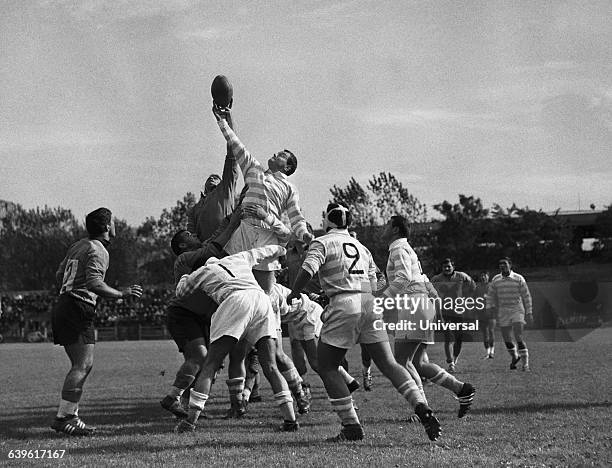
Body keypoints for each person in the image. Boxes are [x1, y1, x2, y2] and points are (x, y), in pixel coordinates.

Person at [287, 204, 441, 442]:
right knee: (389, 364)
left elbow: (308, 268)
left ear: (326, 220)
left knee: (327, 366)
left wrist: (294, 292)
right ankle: (421, 406)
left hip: (343, 304)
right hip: (369, 303)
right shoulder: (362, 247)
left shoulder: (322, 242)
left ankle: (351, 426)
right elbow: (377, 279)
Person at [174, 245, 299, 433]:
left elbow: (181, 292)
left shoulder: (202, 271)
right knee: (271, 366)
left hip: (236, 300)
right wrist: (282, 249)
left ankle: (190, 421)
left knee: (210, 365)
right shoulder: (238, 258)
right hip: (261, 300)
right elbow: (265, 251)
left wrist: (184, 276)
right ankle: (290, 420)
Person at [51, 207, 143, 436]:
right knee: (82, 365)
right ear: (106, 227)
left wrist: (67, 293)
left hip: (66, 304)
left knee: (82, 364)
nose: (116, 225)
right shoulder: (99, 249)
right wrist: (123, 293)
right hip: (77, 307)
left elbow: (58, 274)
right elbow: (94, 283)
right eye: (113, 221)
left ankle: (69, 415)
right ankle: (65, 417)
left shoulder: (78, 245)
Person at [379, 215, 475, 419]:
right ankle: (462, 389)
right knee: (418, 362)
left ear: (395, 230)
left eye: (387, 224)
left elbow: (403, 278)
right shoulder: (408, 249)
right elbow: (423, 282)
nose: (383, 227)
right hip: (422, 305)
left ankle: (423, 408)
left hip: (413, 306)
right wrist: (435, 309)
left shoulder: (397, 248)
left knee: (401, 362)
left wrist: (382, 299)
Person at [211, 104, 313, 294]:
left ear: (288, 168)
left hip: (266, 238)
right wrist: (222, 120)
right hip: (243, 233)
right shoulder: (253, 169)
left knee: (264, 294)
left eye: (282, 156)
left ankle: (270, 323)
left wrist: (303, 234)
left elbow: (296, 218)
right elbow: (235, 143)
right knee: (232, 289)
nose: (276, 154)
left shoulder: (289, 188)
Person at [160, 207, 242, 419]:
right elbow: (213, 248)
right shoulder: (186, 258)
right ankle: (172, 397)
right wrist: (233, 223)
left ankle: (187, 407)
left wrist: (233, 213)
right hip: (183, 313)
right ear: (183, 245)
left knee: (206, 364)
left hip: (204, 317)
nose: (195, 235)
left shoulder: (199, 250)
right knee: (200, 356)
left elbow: (216, 235)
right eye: (190, 235)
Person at [187, 113, 239, 242]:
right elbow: (191, 234)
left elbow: (233, 149)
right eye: (210, 177)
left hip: (226, 246)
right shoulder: (194, 209)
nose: (212, 177)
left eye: (217, 178)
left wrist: (226, 119)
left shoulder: (225, 190)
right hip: (205, 250)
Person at [487, 258, 533, 371]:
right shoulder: (496, 279)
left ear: (510, 265)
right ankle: (515, 357)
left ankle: (525, 364)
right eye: (500, 264)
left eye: (505, 264)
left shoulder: (518, 278)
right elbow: (490, 295)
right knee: (507, 338)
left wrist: (529, 312)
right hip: (503, 310)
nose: (502, 266)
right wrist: (489, 307)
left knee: (518, 336)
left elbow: (526, 296)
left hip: (517, 309)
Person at [431, 258, 476, 372]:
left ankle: (454, 359)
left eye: (449, 266)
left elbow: (473, 286)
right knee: (448, 337)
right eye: (445, 267)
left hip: (458, 311)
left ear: (453, 267)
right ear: (442, 268)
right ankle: (450, 362)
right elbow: (428, 291)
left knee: (459, 338)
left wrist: (466, 297)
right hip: (444, 311)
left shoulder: (461, 276)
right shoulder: (436, 279)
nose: (447, 269)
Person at [475, 271, 496, 359]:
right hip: (481, 313)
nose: (483, 277)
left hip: (491, 312)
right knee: (485, 333)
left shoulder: (492, 286)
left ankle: (492, 352)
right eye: (482, 276)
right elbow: (474, 299)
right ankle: (487, 353)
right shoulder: (477, 287)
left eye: (485, 276)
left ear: (488, 277)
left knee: (491, 331)